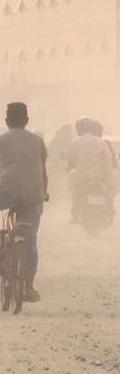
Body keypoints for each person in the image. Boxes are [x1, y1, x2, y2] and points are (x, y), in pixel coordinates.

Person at [0, 102, 49, 302]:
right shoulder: (38, 141)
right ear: (27, 121)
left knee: (4, 227)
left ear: (6, 120)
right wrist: (44, 192)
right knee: (30, 240)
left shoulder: (1, 140)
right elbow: (42, 171)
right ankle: (28, 287)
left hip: (5, 193)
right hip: (33, 195)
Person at [67, 118, 113, 223]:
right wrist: (106, 173)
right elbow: (107, 159)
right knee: (109, 191)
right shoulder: (101, 141)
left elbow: (71, 159)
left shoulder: (76, 141)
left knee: (75, 190)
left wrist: (70, 167)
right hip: (100, 176)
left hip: (82, 176)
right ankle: (110, 209)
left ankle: (75, 215)